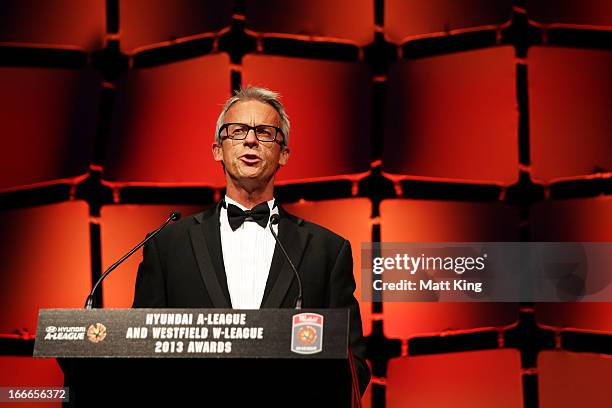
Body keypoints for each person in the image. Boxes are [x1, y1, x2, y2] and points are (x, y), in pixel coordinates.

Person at [132, 86, 370, 397]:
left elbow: (355, 367)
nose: (251, 140)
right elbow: (138, 350)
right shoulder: (166, 245)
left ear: (284, 154)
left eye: (265, 132)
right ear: (218, 148)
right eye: (238, 130)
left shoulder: (328, 250)